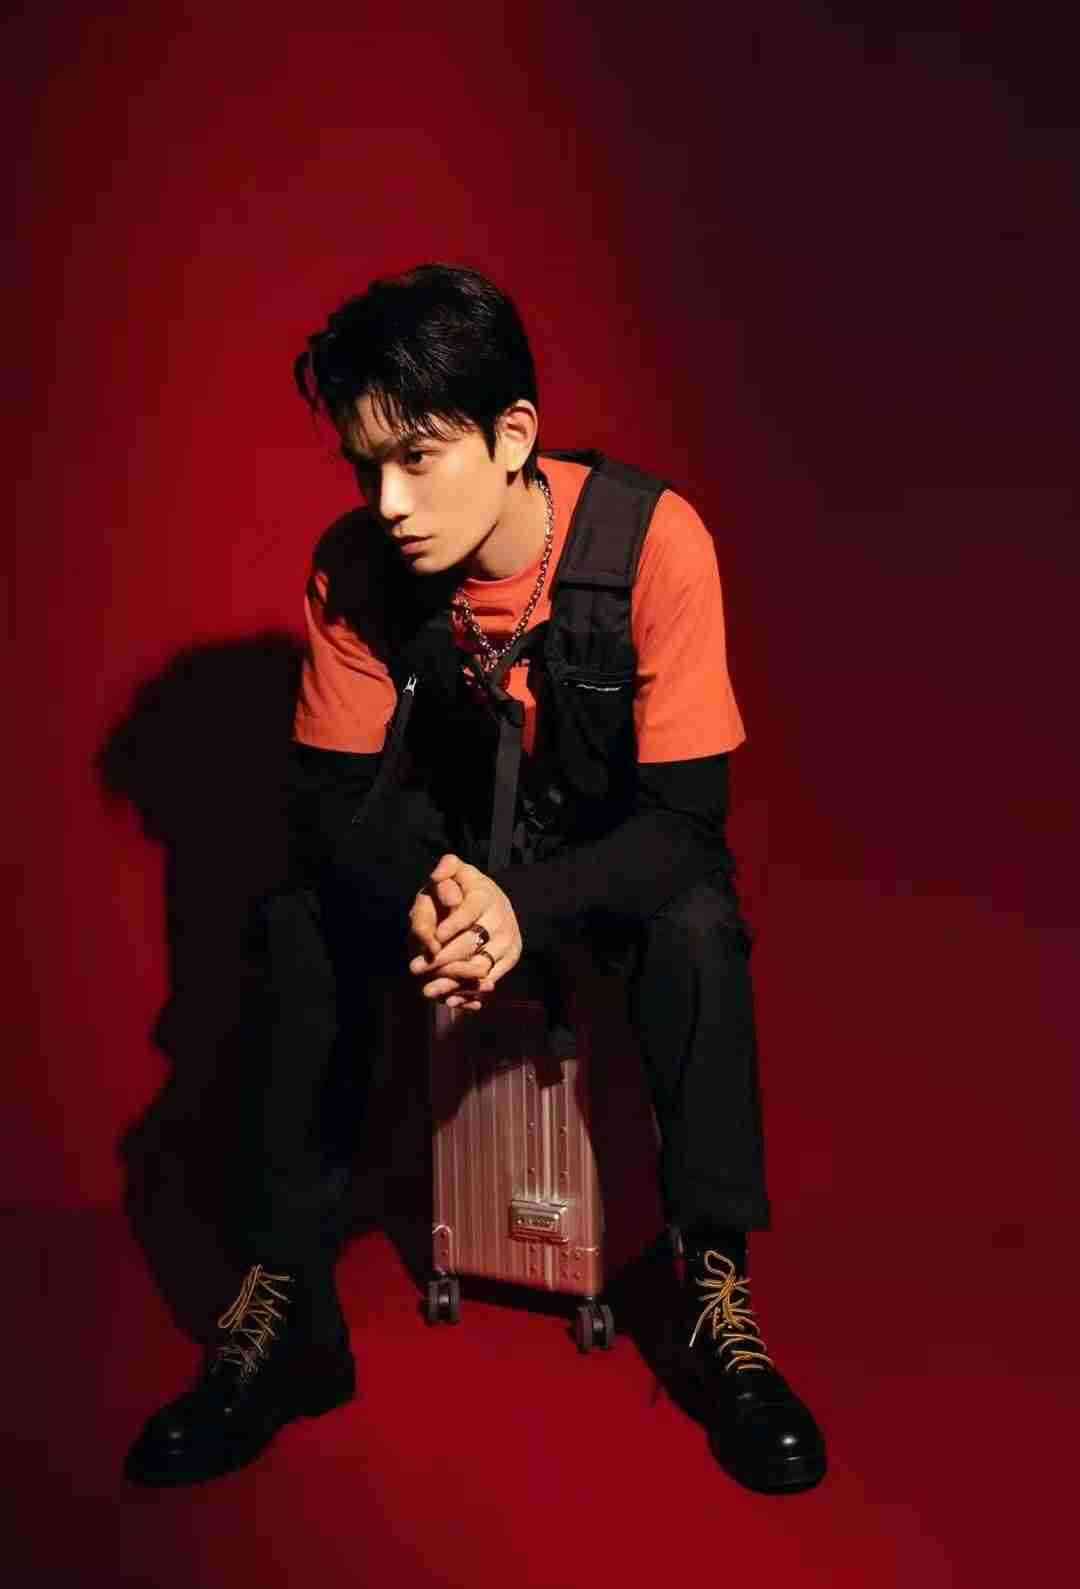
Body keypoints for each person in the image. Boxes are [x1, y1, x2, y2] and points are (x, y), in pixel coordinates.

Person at [125, 264, 827, 1494]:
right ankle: (288, 1306)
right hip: (440, 869)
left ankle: (717, 1290)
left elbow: (686, 824)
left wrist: (527, 908)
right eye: (365, 467)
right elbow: (330, 806)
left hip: (602, 865)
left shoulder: (655, 543)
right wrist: (433, 897)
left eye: (417, 458)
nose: (388, 502)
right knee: (296, 918)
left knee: (699, 922)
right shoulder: (356, 568)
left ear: (513, 436)